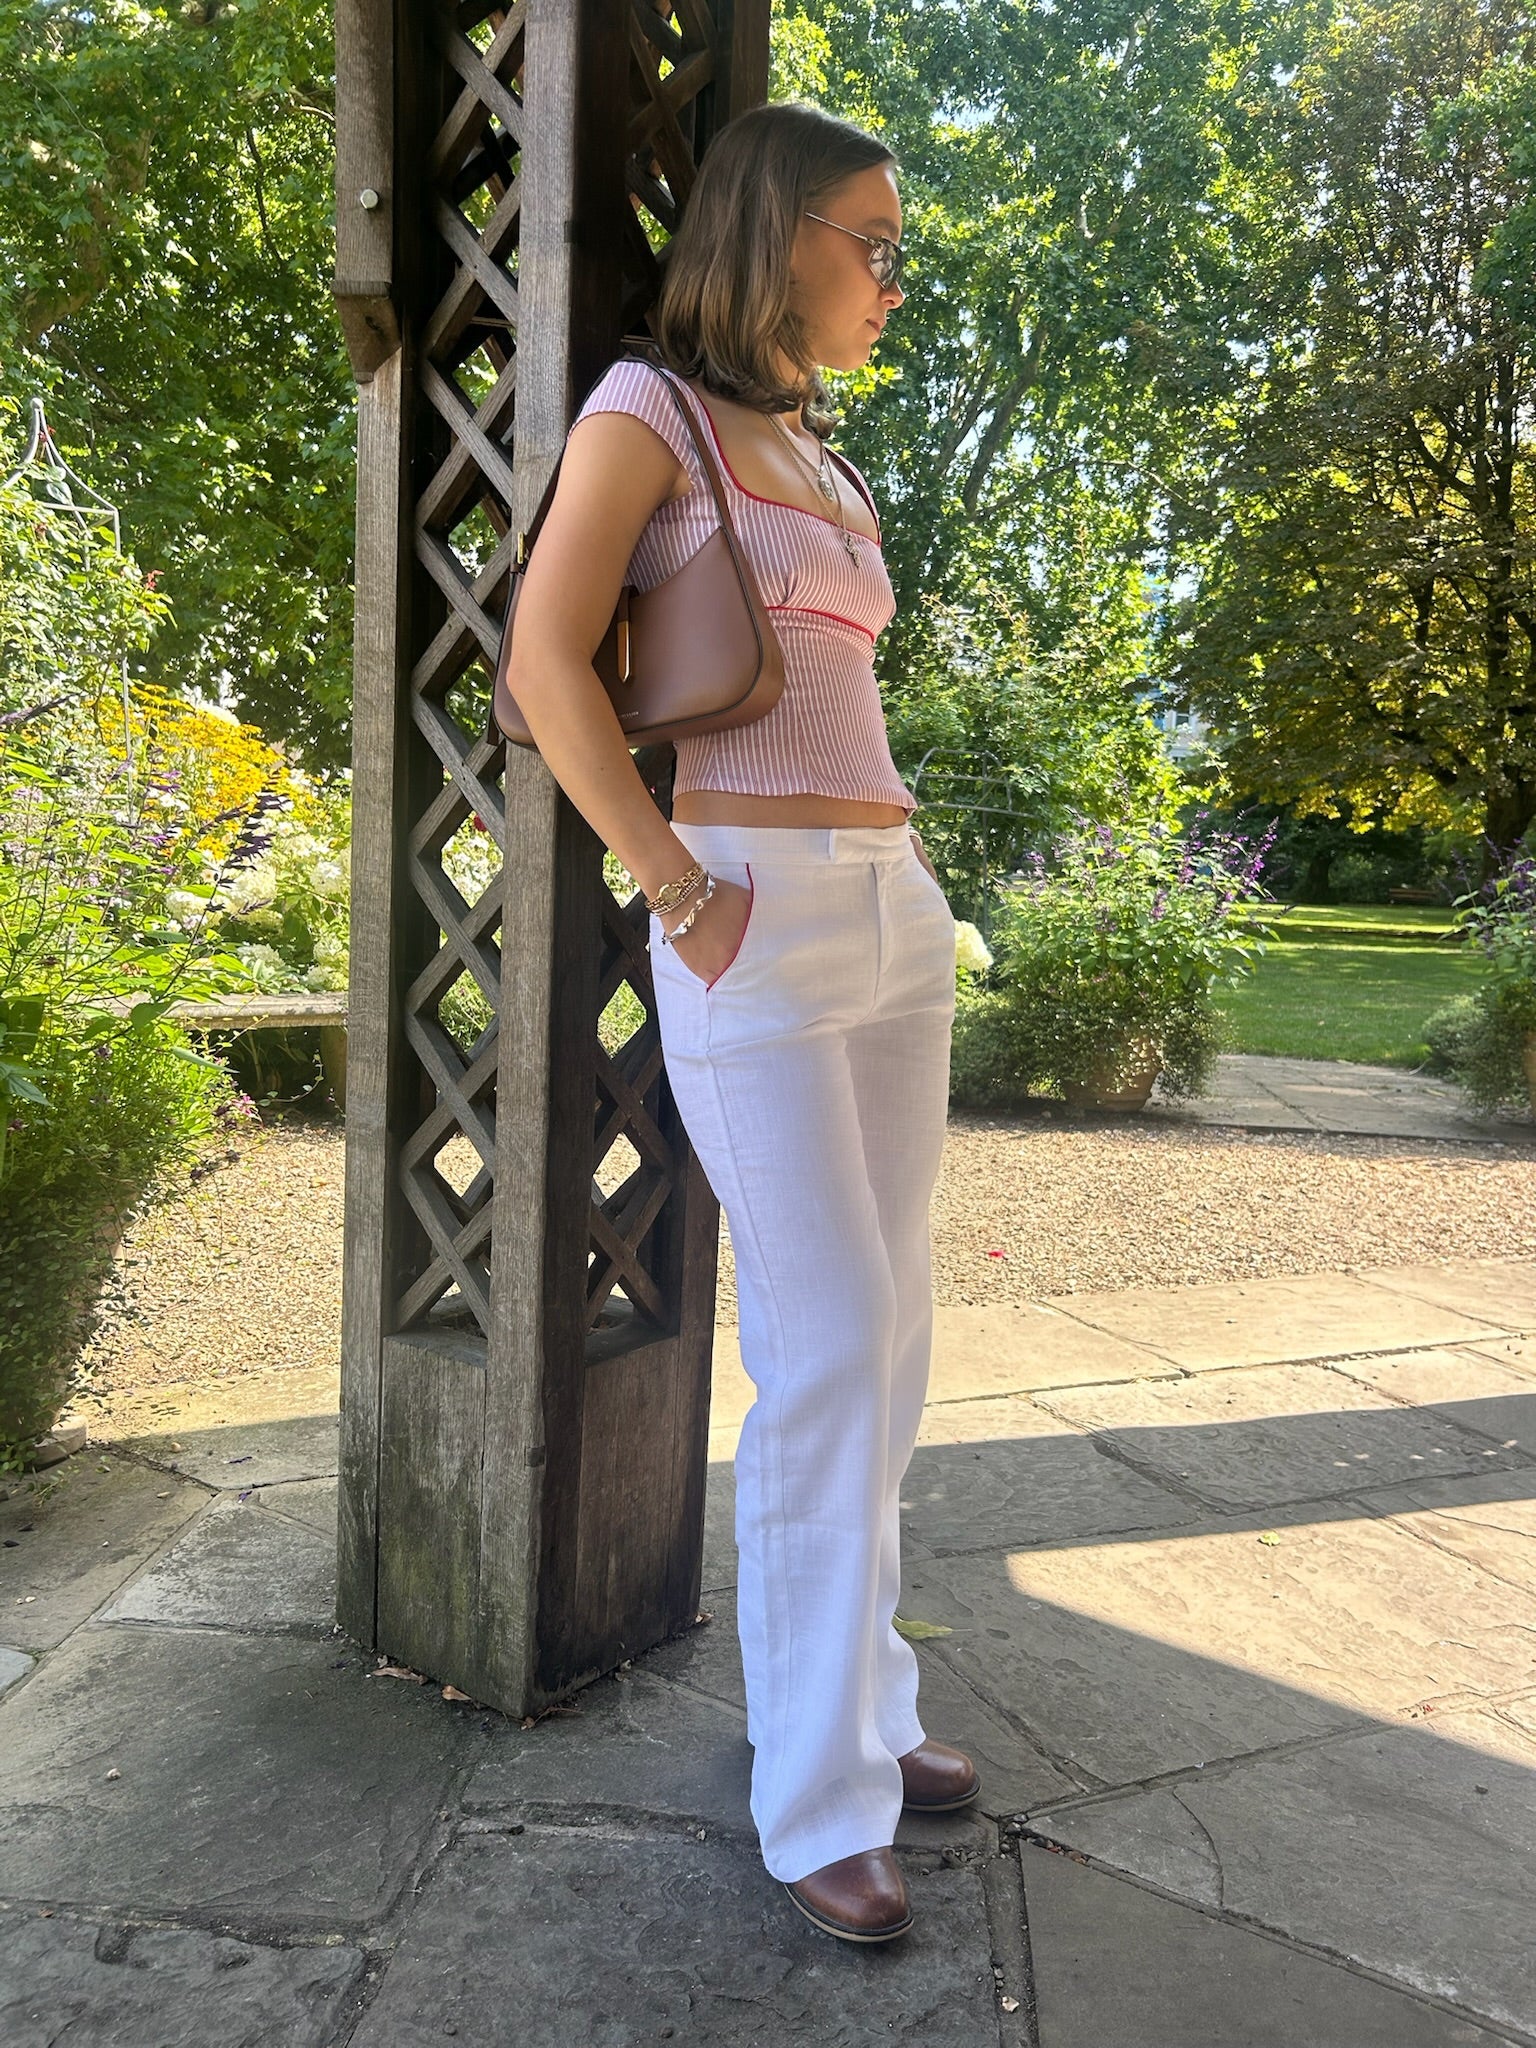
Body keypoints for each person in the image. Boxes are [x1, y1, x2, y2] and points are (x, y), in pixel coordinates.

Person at [503, 99, 977, 1944]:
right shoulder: (655, 416)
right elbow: (546, 661)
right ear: (774, 231)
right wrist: (678, 891)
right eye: (872, 238)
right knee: (830, 1342)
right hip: (751, 918)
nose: (888, 275)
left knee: (898, 1337)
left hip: (890, 911)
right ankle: (816, 1802)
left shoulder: (818, 452)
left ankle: (872, 1708)